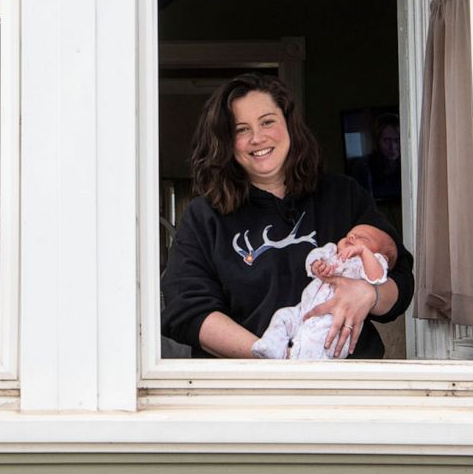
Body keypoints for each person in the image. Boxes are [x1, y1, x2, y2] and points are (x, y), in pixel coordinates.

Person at [161, 73, 414, 359]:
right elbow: (187, 310)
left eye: (267, 121)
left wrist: (370, 295)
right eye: (241, 130)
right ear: (226, 142)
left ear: (288, 124)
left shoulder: (343, 195)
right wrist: (277, 360)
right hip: (247, 387)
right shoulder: (204, 216)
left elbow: (401, 278)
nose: (257, 138)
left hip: (346, 385)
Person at [251, 223, 397, 360]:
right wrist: (317, 265)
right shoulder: (332, 251)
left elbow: (376, 277)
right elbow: (313, 257)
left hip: (334, 319)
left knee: (314, 338)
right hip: (305, 310)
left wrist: (363, 252)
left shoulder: (370, 262)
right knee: (282, 315)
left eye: (362, 238)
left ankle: (301, 365)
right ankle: (272, 348)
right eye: (349, 235)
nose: (352, 237)